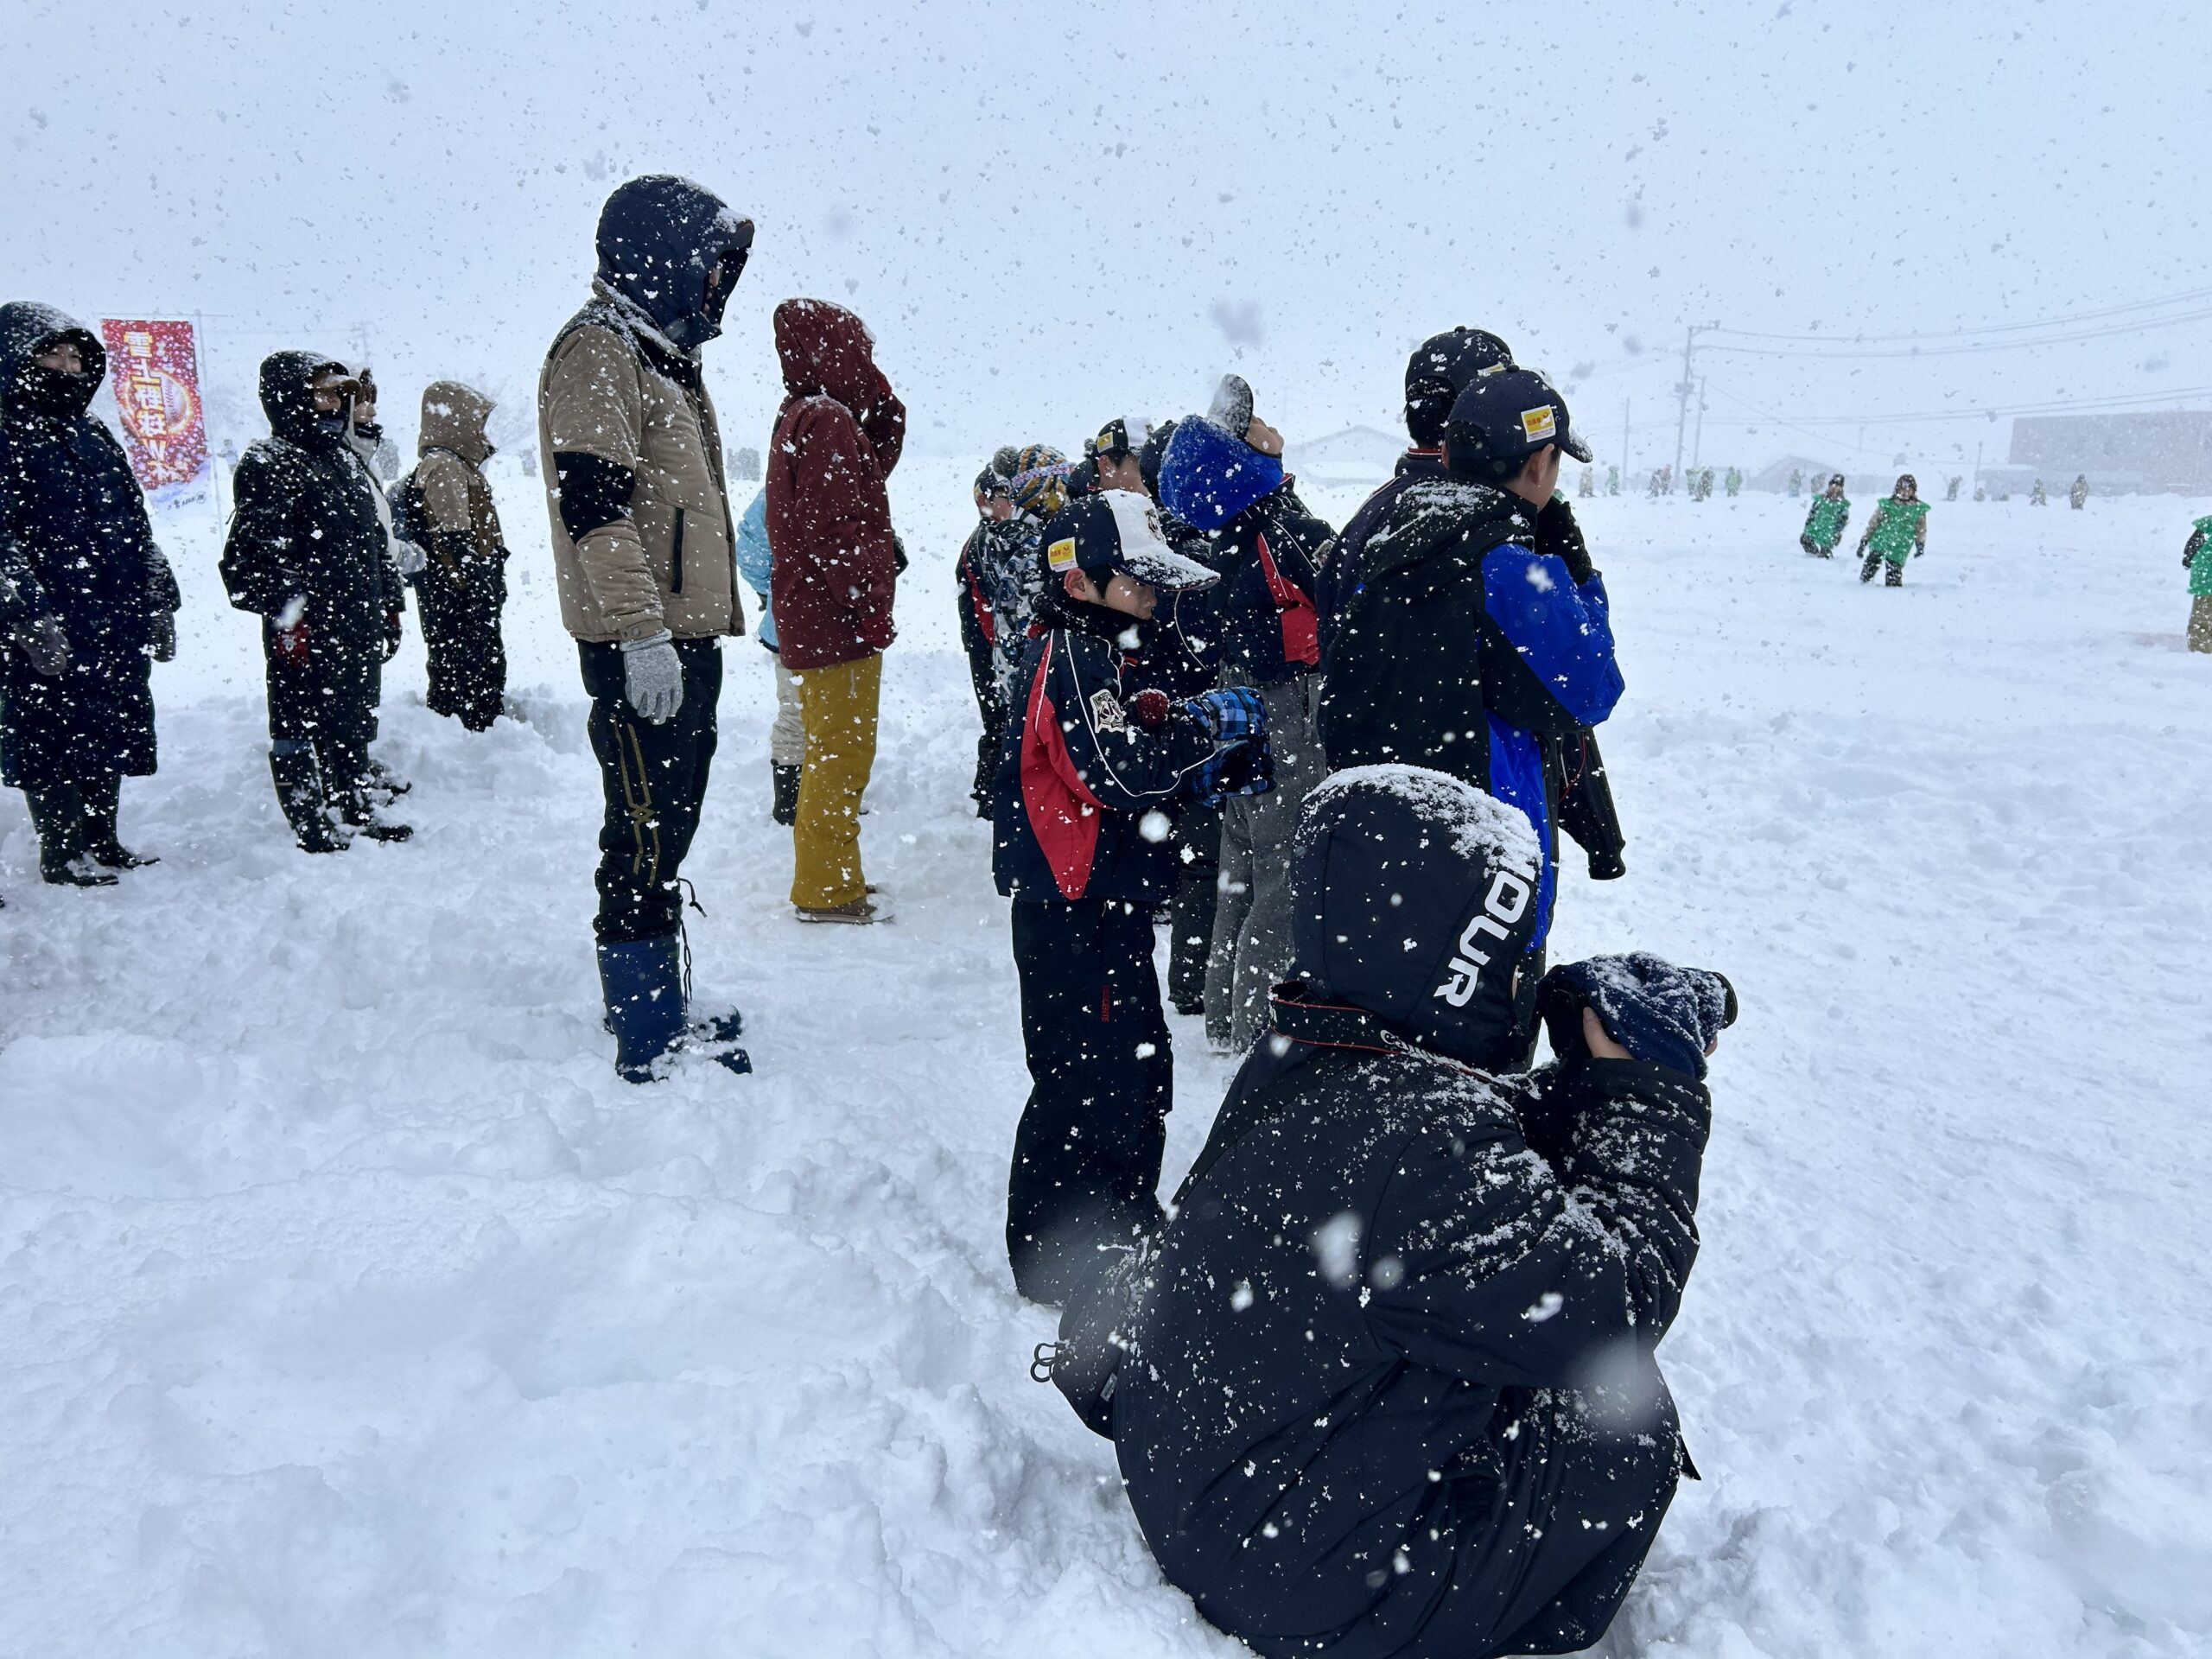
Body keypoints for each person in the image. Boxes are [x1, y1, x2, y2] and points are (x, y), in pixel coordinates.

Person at [1058, 765, 1731, 1659]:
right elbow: (1615, 1302)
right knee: (1626, 1426)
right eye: (1509, 955)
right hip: (1303, 1583)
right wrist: (1649, 1094)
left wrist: (1584, 1081)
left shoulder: (1315, 1048)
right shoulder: (1420, 1141)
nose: (1520, 977)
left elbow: (1457, 1170)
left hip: (1211, 1490)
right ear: (1467, 961)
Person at [993, 490, 1271, 1306]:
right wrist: (1200, 731)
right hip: (1072, 908)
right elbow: (1116, 771)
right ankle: (1063, 1248)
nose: (1151, 598)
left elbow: (1122, 763)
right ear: (1079, 582)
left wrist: (1188, 758)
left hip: (1103, 902)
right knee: (1090, 1077)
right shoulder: (1071, 656)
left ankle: (1117, 1219)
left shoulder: (1097, 657)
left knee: (1135, 1066)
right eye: (1137, 582)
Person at [537, 172, 754, 1081]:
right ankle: (644, 1029)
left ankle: (657, 991)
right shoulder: (599, 349)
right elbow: (594, 506)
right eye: (709, 266)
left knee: (669, 822)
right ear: (661, 257)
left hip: (679, 636)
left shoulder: (658, 354)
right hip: (642, 643)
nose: (716, 286)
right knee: (642, 831)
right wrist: (638, 633)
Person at [1319, 366, 1624, 987]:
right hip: (1485, 857)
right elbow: (1592, 688)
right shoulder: (1507, 564)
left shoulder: (1393, 533)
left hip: (1383, 843)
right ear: (1537, 464)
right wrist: (1576, 569)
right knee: (1488, 1023)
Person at [1157, 376, 1335, 1053]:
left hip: (1245, 701)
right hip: (1289, 708)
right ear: (1242, 461)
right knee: (1284, 874)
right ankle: (1261, 1028)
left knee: (1240, 864)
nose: (1267, 427)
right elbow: (1345, 594)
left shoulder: (1232, 529)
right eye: (1252, 427)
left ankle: (1224, 1014)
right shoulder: (1283, 529)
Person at [0, 302, 180, 884]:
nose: (68, 367)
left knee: (108, 725)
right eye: (52, 354)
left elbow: (135, 521)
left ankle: (103, 840)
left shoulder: (93, 431)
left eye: (77, 357)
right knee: (51, 735)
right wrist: (27, 613)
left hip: (113, 614)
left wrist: (159, 595)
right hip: (52, 619)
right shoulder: (6, 431)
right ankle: (62, 852)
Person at [222, 353, 411, 853]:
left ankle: (355, 804)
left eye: (336, 394)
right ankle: (308, 816)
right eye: (321, 393)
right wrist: (291, 615)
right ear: (289, 397)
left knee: (351, 715)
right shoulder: (270, 460)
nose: (332, 404)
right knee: (297, 719)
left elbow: (374, 542)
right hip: (306, 625)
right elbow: (254, 557)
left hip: (356, 618)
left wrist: (390, 603)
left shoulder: (342, 457)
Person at [764, 297, 905, 925]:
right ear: (834, 353)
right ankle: (825, 891)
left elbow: (865, 477)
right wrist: (868, 605)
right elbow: (838, 530)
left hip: (813, 617)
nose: (867, 363)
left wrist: (883, 407)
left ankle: (833, 875)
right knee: (840, 756)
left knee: (832, 750)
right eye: (861, 352)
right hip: (835, 622)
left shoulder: (805, 414)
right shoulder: (826, 419)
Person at [395, 380, 508, 731]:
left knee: (463, 659)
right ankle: (469, 726)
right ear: (456, 421)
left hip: (458, 591)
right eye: (477, 422)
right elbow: (453, 537)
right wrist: (477, 584)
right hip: (457, 593)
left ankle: (466, 722)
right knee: (465, 661)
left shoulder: (455, 465)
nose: (483, 433)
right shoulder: (444, 466)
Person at [727, 483, 803, 825]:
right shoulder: (783, 485)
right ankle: (792, 804)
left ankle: (821, 797)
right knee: (799, 714)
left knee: (819, 716)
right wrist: (777, 594)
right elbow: (750, 549)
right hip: (797, 629)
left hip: (829, 627)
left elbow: (751, 549)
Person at [953, 453, 1020, 817]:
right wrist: (1004, 651)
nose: (1013, 503)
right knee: (1000, 724)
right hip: (988, 649)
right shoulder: (985, 543)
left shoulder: (1001, 536)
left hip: (994, 646)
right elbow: (992, 608)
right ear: (985, 501)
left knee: (1005, 724)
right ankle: (991, 800)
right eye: (1006, 496)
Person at [1858, 474, 1929, 586]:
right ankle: (1862, 586)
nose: (1905, 493)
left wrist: (1920, 544)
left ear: (1913, 491)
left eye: (1909, 490)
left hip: (1901, 545)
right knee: (1871, 564)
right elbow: (1874, 523)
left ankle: (1893, 591)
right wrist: (1865, 539)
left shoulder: (1917, 509)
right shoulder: (1887, 505)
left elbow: (1921, 529)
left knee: (1894, 574)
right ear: (1897, 490)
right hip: (1882, 540)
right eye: (1902, 489)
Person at [1800, 473, 1850, 557]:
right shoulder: (1820, 499)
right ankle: (1812, 556)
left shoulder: (1842, 505)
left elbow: (1842, 521)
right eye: (1832, 485)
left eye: (1837, 486)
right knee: (1805, 539)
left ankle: (1825, 557)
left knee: (1825, 555)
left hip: (1829, 532)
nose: (1834, 488)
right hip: (1816, 528)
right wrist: (1808, 524)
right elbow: (1812, 514)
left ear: (1840, 489)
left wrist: (1838, 533)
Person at [2183, 513, 2212, 653]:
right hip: (2207, 581)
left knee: (2201, 624)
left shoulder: (2209, 523)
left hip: (2207, 583)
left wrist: (2188, 560)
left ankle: (2202, 654)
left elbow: (2190, 551)